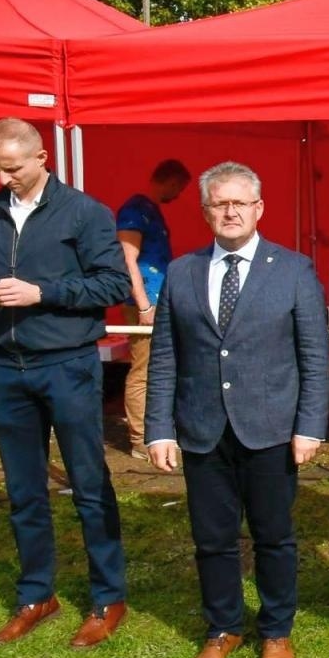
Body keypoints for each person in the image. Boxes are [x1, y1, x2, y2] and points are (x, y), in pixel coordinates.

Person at [0, 118, 132, 648]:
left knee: (90, 487)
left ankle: (107, 597)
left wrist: (40, 293)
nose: (5, 179)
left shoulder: (85, 212)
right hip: (4, 368)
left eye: (13, 168)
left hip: (67, 364)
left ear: (43, 156)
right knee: (24, 492)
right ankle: (36, 595)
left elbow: (112, 283)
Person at [144, 162, 329, 658]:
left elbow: (314, 354)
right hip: (202, 430)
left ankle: (276, 631)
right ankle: (222, 627)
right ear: (206, 211)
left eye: (239, 203)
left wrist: (310, 425)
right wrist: (158, 427)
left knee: (274, 535)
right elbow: (165, 356)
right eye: (219, 204)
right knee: (212, 538)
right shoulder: (182, 272)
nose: (229, 212)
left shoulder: (293, 270)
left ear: (258, 209)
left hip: (271, 429)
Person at [116, 158, 191, 458]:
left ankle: (156, 432)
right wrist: (144, 305)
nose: (179, 194)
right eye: (180, 188)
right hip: (145, 302)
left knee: (158, 367)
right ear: (171, 182)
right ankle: (140, 439)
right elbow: (127, 258)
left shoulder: (148, 210)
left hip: (158, 299)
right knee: (144, 369)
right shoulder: (135, 210)